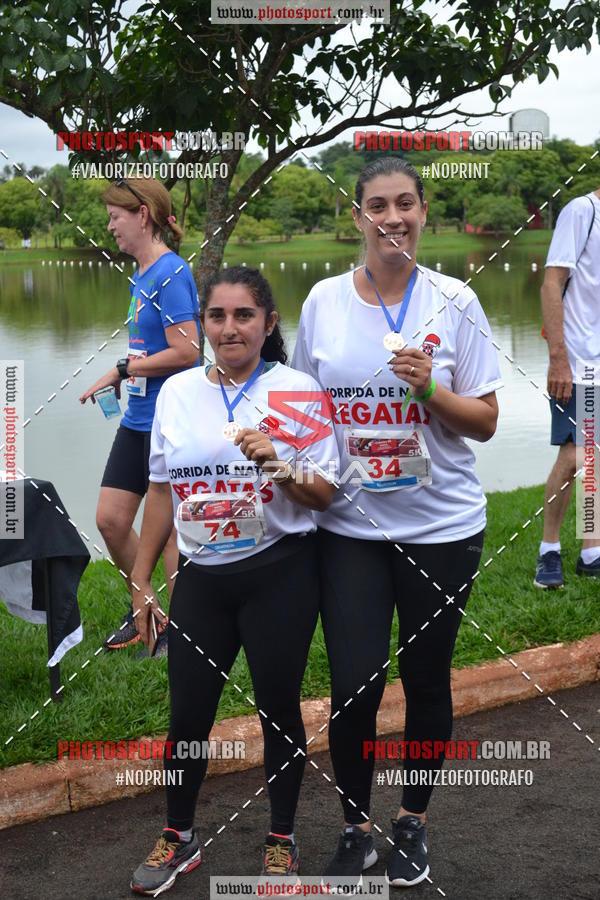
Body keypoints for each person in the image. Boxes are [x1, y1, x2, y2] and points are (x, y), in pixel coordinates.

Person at [291, 157, 502, 888]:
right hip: (349, 528)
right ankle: (356, 829)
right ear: (357, 218)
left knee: (426, 678)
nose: (393, 217)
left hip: (442, 529)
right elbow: (303, 416)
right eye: (377, 204)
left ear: (423, 210)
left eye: (406, 202)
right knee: (354, 682)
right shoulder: (321, 301)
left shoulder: (457, 300)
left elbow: (486, 423)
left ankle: (411, 823)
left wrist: (431, 389)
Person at [128, 266, 338, 895]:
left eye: (244, 315)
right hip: (200, 578)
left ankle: (281, 839)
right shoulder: (178, 392)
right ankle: (179, 835)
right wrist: (142, 579)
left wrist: (281, 465)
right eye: (216, 316)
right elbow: (161, 492)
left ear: (269, 323)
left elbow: (325, 494)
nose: (228, 328)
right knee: (188, 712)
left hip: (280, 573)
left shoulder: (298, 390)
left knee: (279, 710)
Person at [79, 178, 200, 656]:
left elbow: (188, 351)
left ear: (143, 215)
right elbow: (149, 349)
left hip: (165, 420)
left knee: (167, 532)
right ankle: (146, 611)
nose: (109, 226)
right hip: (137, 417)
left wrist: (127, 367)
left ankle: (181, 632)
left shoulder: (171, 273)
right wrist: (118, 372)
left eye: (115, 216)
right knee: (110, 519)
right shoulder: (144, 274)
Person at [534, 187, 600, 588]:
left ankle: (591, 551)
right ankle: (549, 551)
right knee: (576, 454)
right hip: (580, 361)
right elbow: (551, 283)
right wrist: (559, 357)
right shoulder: (583, 211)